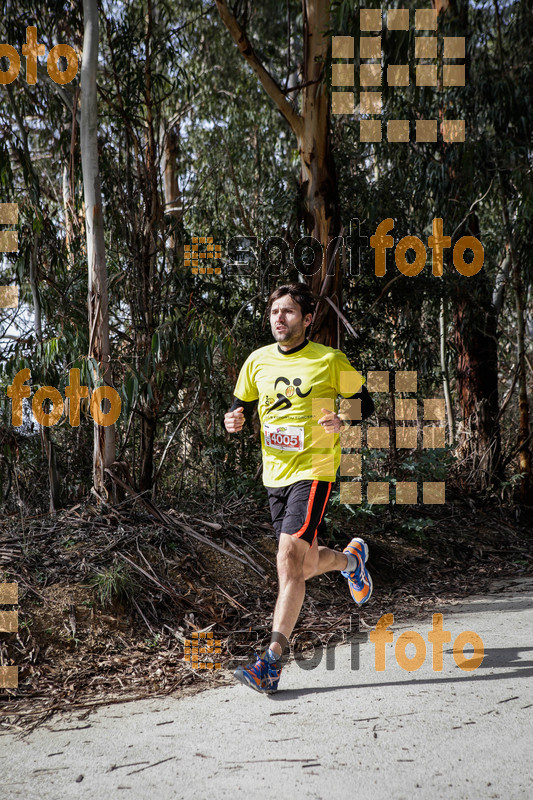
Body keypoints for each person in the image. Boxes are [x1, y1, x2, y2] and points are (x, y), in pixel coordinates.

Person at [224, 283, 374, 693]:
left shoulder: (329, 360)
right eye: (274, 312)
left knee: (287, 558)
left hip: (315, 469)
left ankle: (270, 663)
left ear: (307, 320)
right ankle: (350, 563)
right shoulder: (256, 362)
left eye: (288, 312)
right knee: (303, 567)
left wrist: (343, 419)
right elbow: (241, 405)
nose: (279, 318)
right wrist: (232, 419)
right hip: (274, 476)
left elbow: (366, 401)